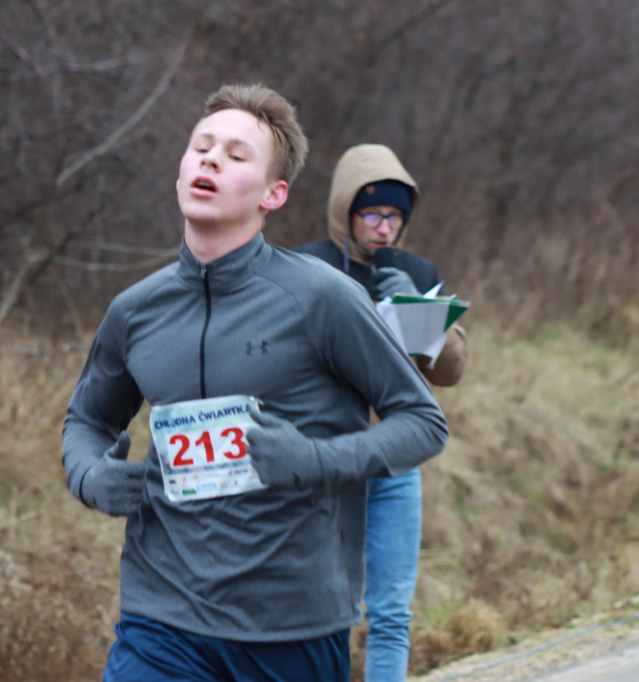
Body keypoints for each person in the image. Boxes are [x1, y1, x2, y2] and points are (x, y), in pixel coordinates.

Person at [62, 85, 449, 682]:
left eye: (236, 154)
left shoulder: (323, 298)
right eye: (201, 147)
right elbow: (88, 421)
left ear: (275, 194)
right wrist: (90, 476)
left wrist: (315, 458)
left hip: (290, 625)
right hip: (159, 618)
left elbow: (422, 422)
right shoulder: (135, 310)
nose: (211, 159)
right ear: (181, 172)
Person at [297, 143, 468, 681]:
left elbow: (451, 372)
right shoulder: (307, 266)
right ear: (344, 211)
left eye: (394, 217)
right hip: (325, 463)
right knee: (318, 611)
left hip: (395, 463)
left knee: (390, 614)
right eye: (371, 214)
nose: (383, 228)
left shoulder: (416, 271)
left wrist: (421, 309)